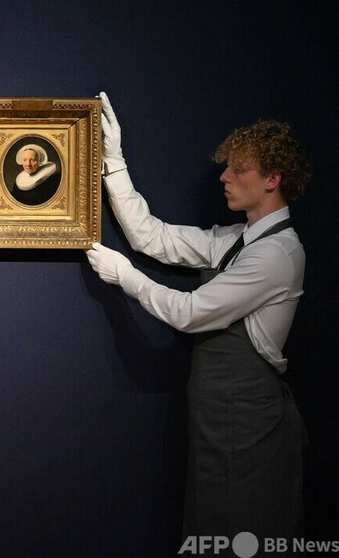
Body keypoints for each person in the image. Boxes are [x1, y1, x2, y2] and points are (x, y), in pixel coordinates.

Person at [86, 92, 310, 547]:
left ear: (273, 179)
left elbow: (189, 314)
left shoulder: (277, 254)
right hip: (218, 420)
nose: (224, 176)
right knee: (211, 530)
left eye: (238, 169)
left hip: (251, 424)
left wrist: (126, 277)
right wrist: (114, 160)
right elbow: (151, 237)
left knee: (245, 535)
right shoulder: (238, 239)